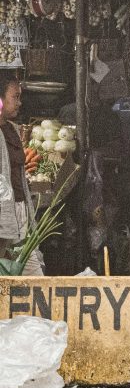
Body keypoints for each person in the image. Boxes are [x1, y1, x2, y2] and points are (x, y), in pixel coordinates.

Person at [0, 75, 44, 275]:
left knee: (34, 277)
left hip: (19, 212)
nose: (19, 102)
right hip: (4, 215)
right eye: (15, 97)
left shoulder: (13, 130)